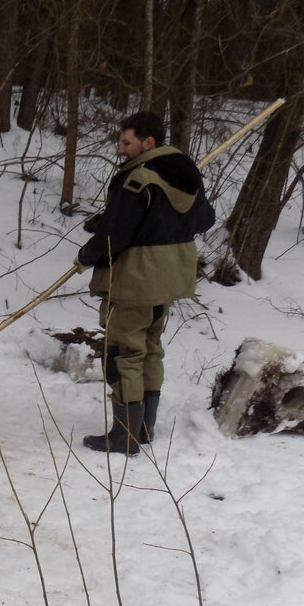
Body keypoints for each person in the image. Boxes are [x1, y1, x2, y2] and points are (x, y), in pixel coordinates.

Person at [76, 111, 215, 455]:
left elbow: (116, 236)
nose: (121, 150)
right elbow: (205, 218)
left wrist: (86, 256)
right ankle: (143, 429)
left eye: (127, 142)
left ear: (148, 142)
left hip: (136, 279)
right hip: (169, 278)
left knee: (125, 353)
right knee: (150, 349)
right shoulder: (185, 174)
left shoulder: (137, 178)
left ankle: (125, 436)